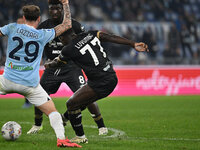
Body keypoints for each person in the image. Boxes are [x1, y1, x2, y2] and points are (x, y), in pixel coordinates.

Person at [0, 0, 81, 148]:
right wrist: (65, 4)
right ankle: (61, 139)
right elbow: (67, 24)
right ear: (39, 19)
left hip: (6, 80)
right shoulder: (43, 34)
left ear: (23, 17)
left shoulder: (12, 27)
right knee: (53, 112)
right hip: (29, 85)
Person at [45, 29, 149, 143]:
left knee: (71, 103)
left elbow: (58, 62)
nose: (61, 41)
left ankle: (80, 137)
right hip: (110, 76)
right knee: (80, 102)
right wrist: (132, 43)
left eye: (61, 38)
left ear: (63, 38)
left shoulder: (68, 49)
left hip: (100, 81)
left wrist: (49, 64)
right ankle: (65, 118)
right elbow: (111, 37)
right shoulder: (91, 34)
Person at [26, 0, 108, 139]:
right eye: (52, 9)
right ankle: (37, 125)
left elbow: (85, 40)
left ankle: (101, 126)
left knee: (85, 96)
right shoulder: (44, 26)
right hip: (52, 68)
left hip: (72, 67)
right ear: (49, 10)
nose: (55, 11)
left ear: (62, 9)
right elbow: (37, 45)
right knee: (38, 95)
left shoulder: (74, 25)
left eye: (58, 8)